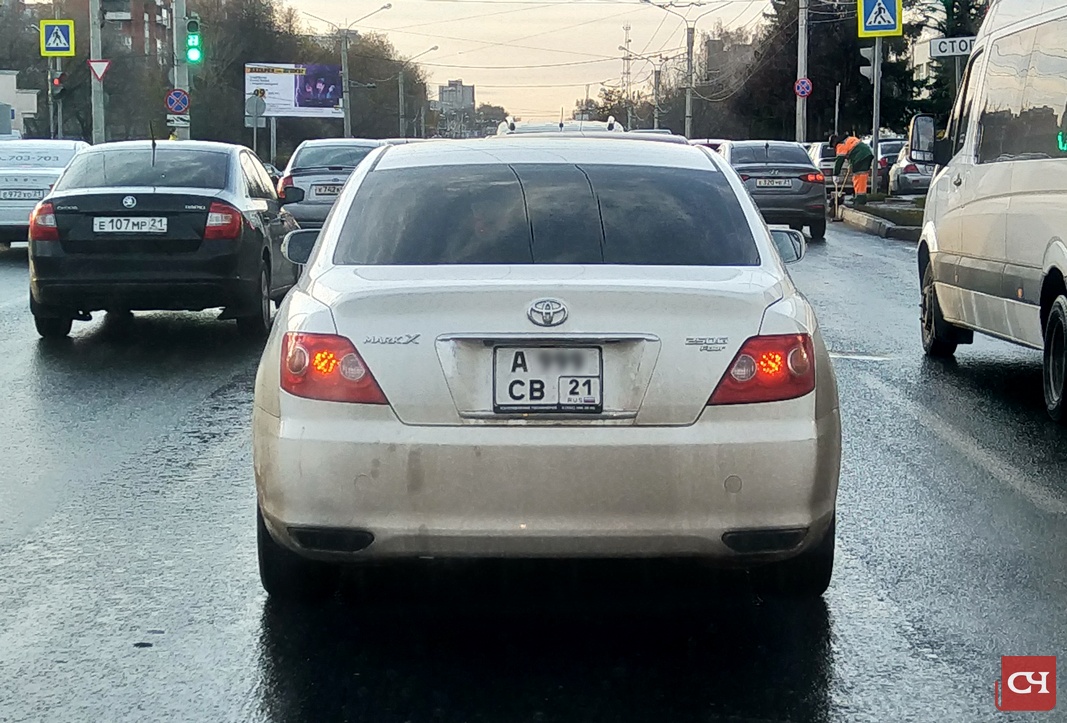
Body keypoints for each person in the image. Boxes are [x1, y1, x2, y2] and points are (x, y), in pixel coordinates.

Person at [830, 132, 874, 201]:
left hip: (860, 157)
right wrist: (851, 164)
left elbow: (839, 160)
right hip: (867, 154)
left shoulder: (840, 145)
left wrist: (835, 174)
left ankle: (859, 199)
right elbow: (853, 151)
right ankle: (860, 197)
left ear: (833, 143)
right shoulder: (849, 139)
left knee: (858, 176)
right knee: (862, 176)